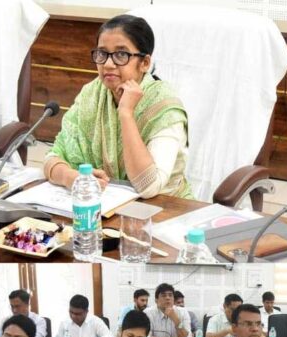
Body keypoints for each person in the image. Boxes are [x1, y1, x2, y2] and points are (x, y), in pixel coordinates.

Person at [44, 14, 193, 200]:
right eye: (102, 54)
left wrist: (126, 113)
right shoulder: (92, 94)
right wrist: (72, 177)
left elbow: (148, 186)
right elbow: (52, 157)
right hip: (106, 204)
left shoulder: (164, 106)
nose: (108, 64)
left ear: (145, 63)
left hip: (165, 209)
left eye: (121, 55)